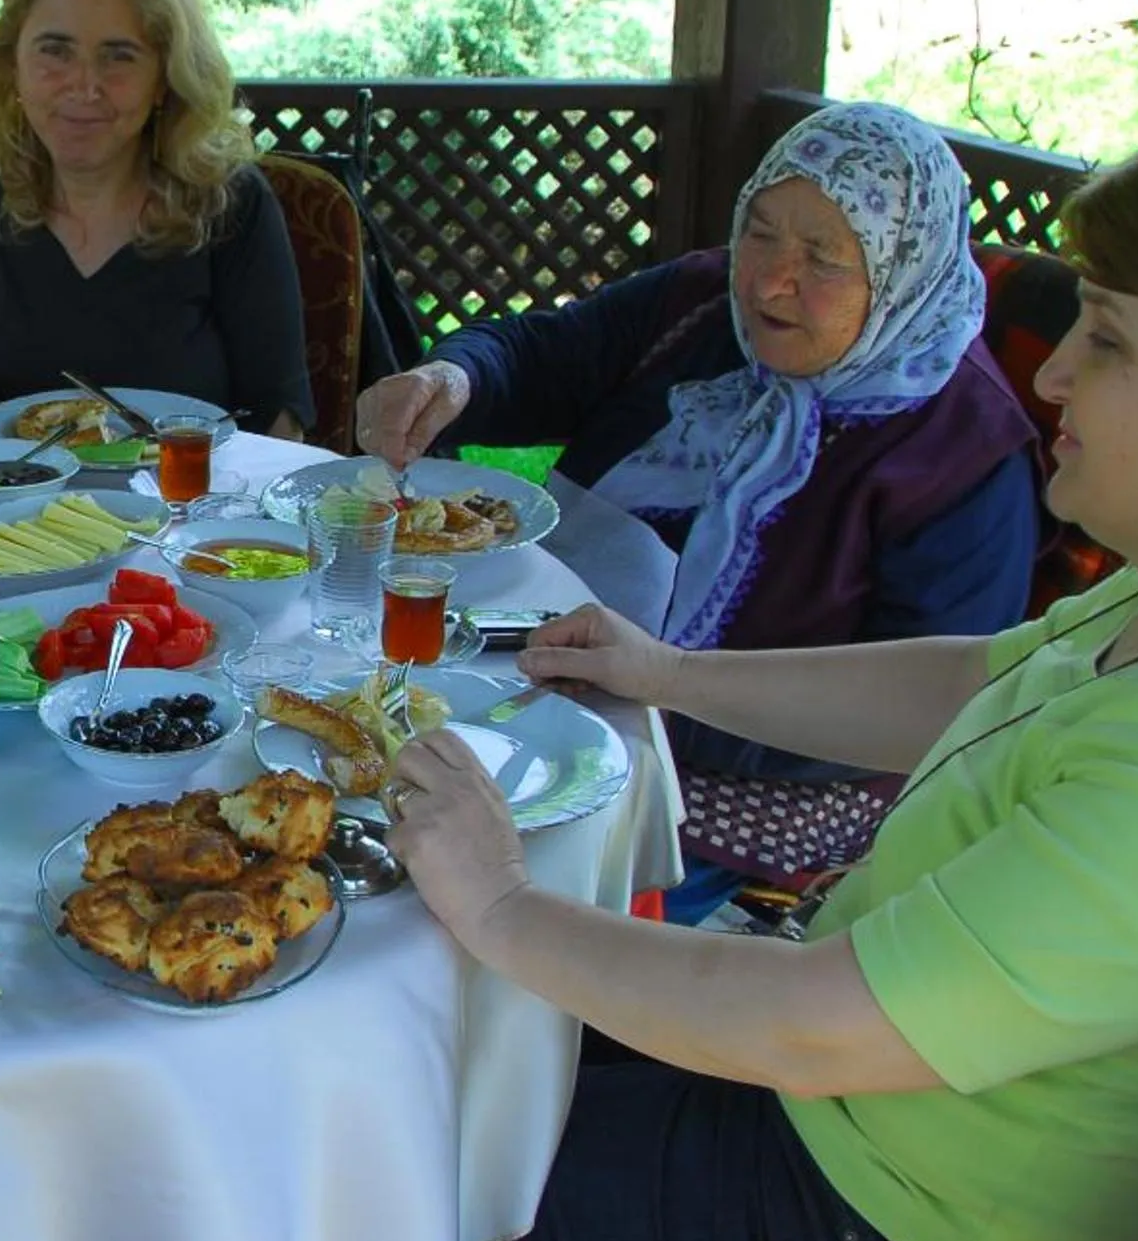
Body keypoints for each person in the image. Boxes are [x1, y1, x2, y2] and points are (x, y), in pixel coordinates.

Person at [381, 64, 1138, 1241]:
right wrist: (666, 672)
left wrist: (500, 901)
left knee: (353, 1131)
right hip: (852, 1124)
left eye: (1107, 339)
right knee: (445, 1023)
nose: (1055, 373)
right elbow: (981, 678)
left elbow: (816, 1021)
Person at [356, 101, 1040, 780]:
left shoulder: (966, 452)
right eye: (761, 233)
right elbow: (543, 355)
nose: (770, 280)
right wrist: (455, 378)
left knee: (459, 842)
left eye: (823, 259)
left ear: (902, 276)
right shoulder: (702, 304)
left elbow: (921, 713)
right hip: (552, 663)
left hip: (756, 774)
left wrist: (661, 705)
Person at [0, 0, 313, 438]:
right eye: (55, 50)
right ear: (12, 67)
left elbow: (279, 422)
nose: (85, 85)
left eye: (119, 57)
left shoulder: (229, 203)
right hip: (11, 511)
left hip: (188, 511)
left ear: (165, 79)